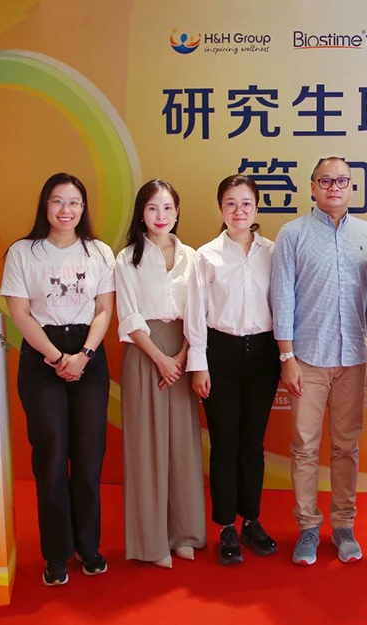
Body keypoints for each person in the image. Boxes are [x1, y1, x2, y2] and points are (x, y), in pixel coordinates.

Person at [1, 172, 115, 586]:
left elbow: (104, 310)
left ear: (83, 208)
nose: (66, 210)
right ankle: (56, 553)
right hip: (41, 357)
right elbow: (19, 312)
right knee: (50, 456)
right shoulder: (23, 252)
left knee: (88, 455)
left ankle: (88, 546)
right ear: (45, 205)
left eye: (74, 202)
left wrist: (84, 355)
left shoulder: (99, 252)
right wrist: (56, 357)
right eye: (57, 201)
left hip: (88, 356)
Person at [271, 157, 367, 566]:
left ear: (352, 187)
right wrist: (287, 357)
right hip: (307, 358)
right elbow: (282, 297)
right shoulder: (293, 234)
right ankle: (307, 527)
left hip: (353, 357)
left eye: (342, 181)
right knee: (304, 445)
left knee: (346, 447)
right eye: (325, 180)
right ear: (313, 187)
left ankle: (344, 525)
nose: (334, 187)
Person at [185, 174, 280, 565]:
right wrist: (199, 365)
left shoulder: (273, 252)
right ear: (220, 208)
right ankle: (225, 525)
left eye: (246, 203)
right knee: (224, 444)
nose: (239, 211)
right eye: (230, 203)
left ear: (256, 207)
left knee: (253, 444)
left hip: (263, 355)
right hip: (219, 354)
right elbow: (195, 313)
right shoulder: (206, 256)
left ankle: (250, 521)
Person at [115, 179, 205, 568]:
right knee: (146, 446)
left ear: (177, 211)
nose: (161, 215)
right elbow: (128, 314)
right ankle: (151, 543)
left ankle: (184, 534)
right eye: (153, 208)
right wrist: (160, 359)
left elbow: (198, 311)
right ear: (141, 213)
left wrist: (182, 356)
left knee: (183, 444)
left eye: (168, 208)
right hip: (144, 352)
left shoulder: (192, 257)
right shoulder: (126, 259)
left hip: (183, 351)